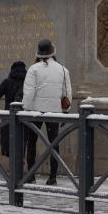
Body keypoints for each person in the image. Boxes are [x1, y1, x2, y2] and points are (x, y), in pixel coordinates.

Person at [21, 39, 72, 186]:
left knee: (32, 143)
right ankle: (52, 177)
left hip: (35, 112)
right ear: (52, 52)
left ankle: (31, 175)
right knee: (54, 144)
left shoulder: (33, 69)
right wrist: (65, 111)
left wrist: (26, 110)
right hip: (54, 111)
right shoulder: (63, 69)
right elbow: (67, 92)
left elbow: (29, 93)